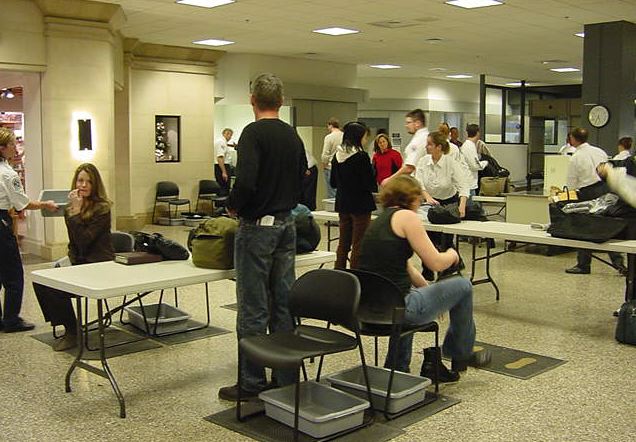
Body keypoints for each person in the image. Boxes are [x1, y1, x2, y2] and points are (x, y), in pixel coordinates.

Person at [219, 73, 307, 401]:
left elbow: (246, 181)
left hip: (257, 227)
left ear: (252, 100)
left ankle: (251, 381)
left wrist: (233, 205)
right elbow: (303, 174)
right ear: (281, 102)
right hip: (286, 224)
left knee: (253, 306)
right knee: (283, 303)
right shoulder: (292, 135)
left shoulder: (252, 133)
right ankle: (285, 378)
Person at [358, 175, 490, 381]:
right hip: (399, 308)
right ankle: (460, 353)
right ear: (412, 198)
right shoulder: (407, 218)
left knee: (405, 295)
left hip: (368, 308)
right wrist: (453, 254)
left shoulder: (379, 222)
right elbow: (436, 263)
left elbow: (406, 267)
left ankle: (397, 367)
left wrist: (429, 292)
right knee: (464, 286)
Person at [33, 163, 114, 350]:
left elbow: (85, 241)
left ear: (95, 184)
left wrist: (77, 213)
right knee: (40, 280)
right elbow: (74, 242)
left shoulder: (103, 208)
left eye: (88, 182)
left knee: (55, 289)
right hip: (79, 261)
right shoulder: (70, 208)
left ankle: (72, 332)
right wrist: (67, 261)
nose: (83, 185)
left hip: (98, 264)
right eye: (80, 180)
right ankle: (64, 322)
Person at [0, 127, 58, 333]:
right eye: (12, 144)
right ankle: (11, 319)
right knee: (13, 275)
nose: (15, 148)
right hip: (1, 225)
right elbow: (22, 203)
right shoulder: (8, 174)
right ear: (2, 147)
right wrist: (45, 204)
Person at [565, 127, 625, 275]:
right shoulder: (600, 151)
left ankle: (583, 265)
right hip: (605, 188)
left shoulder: (575, 157)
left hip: (588, 192)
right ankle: (619, 263)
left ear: (573, 139)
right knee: (607, 225)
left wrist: (568, 196)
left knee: (584, 227)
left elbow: (571, 181)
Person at [416, 131, 470, 280]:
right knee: (427, 239)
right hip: (430, 204)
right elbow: (418, 182)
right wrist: (427, 197)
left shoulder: (450, 163)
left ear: (439, 147)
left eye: (430, 144)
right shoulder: (423, 161)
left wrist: (462, 205)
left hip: (448, 204)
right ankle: (428, 269)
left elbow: (463, 185)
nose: (426, 147)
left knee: (445, 240)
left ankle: (447, 268)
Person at [330, 121, 377, 269]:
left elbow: (333, 183)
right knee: (359, 243)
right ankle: (356, 274)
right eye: (364, 137)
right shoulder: (361, 157)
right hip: (360, 205)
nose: (366, 140)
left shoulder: (337, 156)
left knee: (343, 243)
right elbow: (370, 183)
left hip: (343, 203)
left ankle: (339, 271)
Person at [382, 109, 429, 185]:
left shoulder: (419, 140)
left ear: (417, 123)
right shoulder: (424, 136)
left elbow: (409, 167)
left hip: (419, 183)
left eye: (408, 123)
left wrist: (390, 180)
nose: (406, 126)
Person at [460, 124, 488, 197]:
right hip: (469, 184)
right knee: (472, 203)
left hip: (468, 183)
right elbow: (475, 166)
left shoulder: (469, 145)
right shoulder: (469, 146)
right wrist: (485, 163)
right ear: (477, 133)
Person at [320, 117, 343, 199]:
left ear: (330, 125)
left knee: (331, 192)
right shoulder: (344, 136)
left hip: (330, 166)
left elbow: (325, 153)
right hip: (342, 166)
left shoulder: (329, 137)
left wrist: (324, 163)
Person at [214, 128, 235, 196]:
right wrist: (224, 172)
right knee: (223, 188)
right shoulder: (221, 142)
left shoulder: (224, 142)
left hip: (223, 166)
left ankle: (224, 201)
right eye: (228, 134)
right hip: (222, 166)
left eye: (231, 135)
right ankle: (222, 202)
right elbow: (220, 157)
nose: (230, 136)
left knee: (226, 187)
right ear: (224, 134)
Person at [301, 144, 318, 210]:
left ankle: (309, 210)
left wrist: (304, 169)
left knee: (307, 195)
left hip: (308, 168)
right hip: (306, 167)